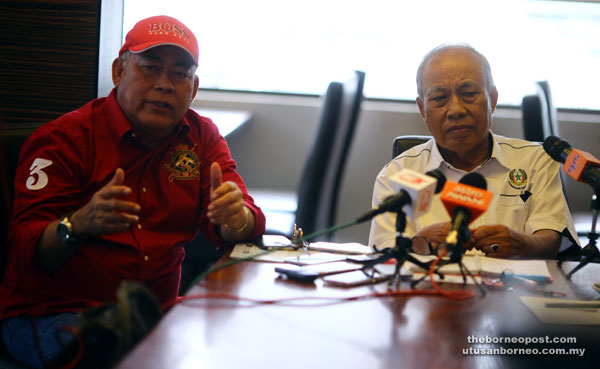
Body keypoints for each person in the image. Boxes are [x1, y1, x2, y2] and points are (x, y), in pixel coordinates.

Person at [0, 15, 265, 368]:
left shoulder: (201, 138)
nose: (165, 85)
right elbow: (27, 251)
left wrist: (237, 219)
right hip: (53, 315)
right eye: (150, 67)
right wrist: (78, 225)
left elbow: (243, 218)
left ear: (194, 87)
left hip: (150, 317)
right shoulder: (65, 140)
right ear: (118, 72)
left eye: (179, 74)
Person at [368, 43, 578, 259]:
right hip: (430, 290)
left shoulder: (535, 161)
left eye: (468, 93)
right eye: (439, 98)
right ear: (423, 108)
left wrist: (524, 244)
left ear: (492, 99)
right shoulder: (397, 175)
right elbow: (385, 254)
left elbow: (552, 239)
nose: (456, 110)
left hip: (514, 290)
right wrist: (421, 243)